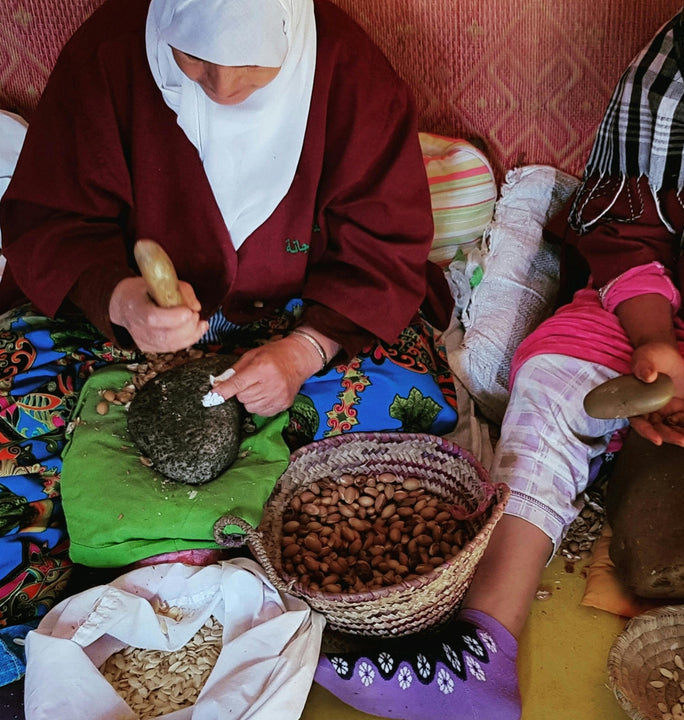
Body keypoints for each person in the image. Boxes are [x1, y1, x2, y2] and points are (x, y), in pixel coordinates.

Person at [314, 0, 684, 717]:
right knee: (553, 375)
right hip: (681, 315)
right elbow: (625, 226)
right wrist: (654, 340)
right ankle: (482, 645)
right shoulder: (676, 65)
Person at [0, 0, 457, 635]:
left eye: (252, 66)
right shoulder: (109, 51)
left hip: (300, 316)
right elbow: (51, 220)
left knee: (403, 413)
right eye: (193, 61)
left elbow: (383, 248)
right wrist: (121, 299)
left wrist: (304, 351)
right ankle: (52, 619)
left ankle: (226, 571)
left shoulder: (349, 71)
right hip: (121, 332)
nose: (223, 88)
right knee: (14, 420)